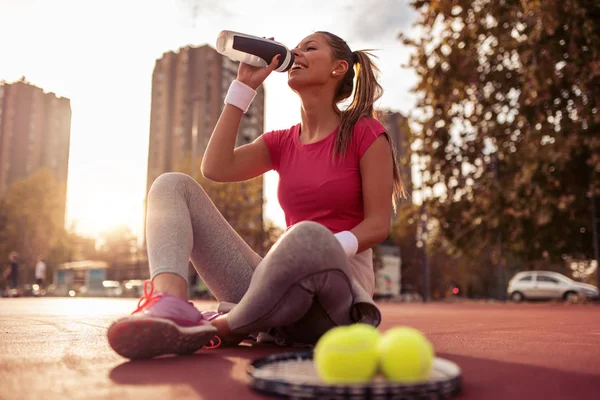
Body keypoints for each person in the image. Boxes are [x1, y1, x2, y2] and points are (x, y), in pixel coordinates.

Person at [107, 31, 406, 360]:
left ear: (338, 68)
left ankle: (224, 326)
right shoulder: (281, 142)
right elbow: (216, 167)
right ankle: (173, 306)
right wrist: (244, 87)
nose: (296, 52)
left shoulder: (365, 132)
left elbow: (378, 225)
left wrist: (312, 254)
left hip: (335, 301)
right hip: (274, 296)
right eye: (296, 47)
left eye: (310, 47)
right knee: (171, 185)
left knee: (305, 235)